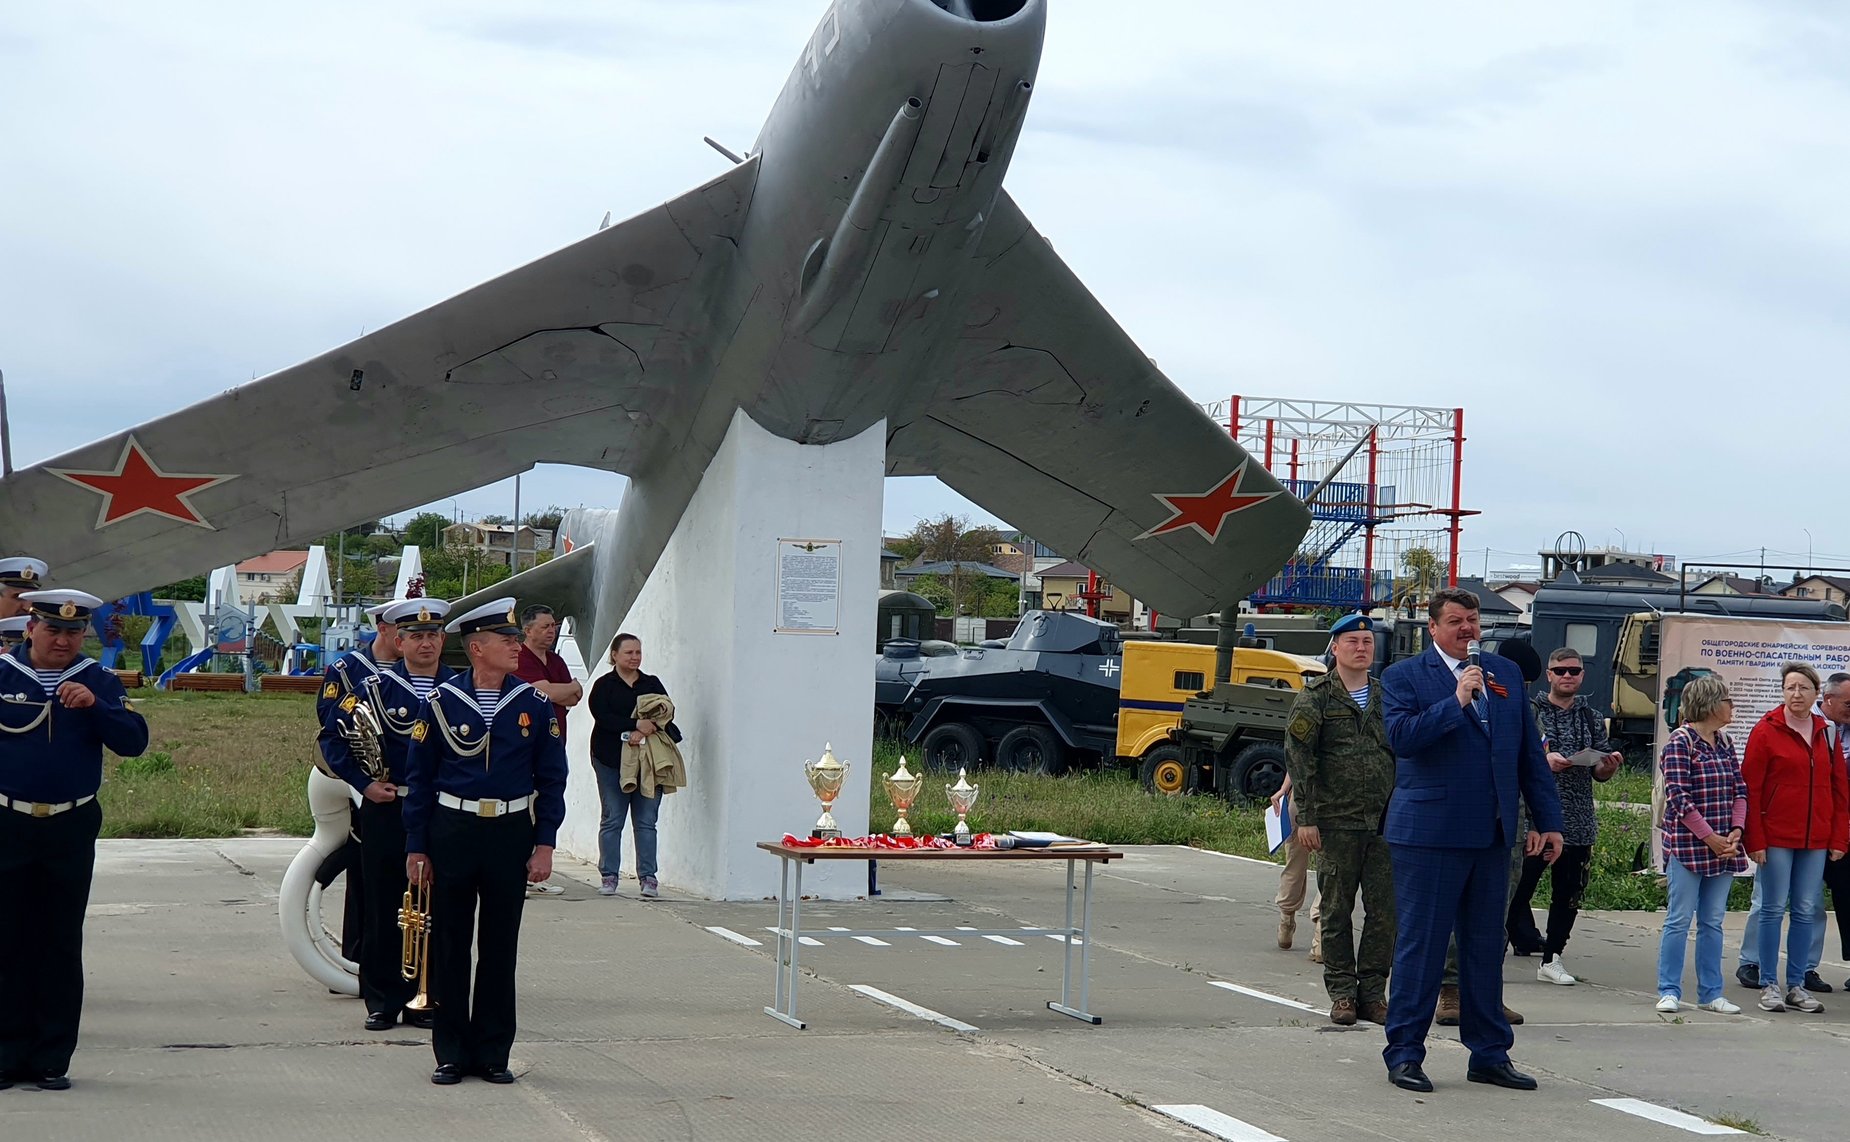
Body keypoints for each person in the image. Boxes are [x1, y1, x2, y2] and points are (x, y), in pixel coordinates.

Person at [1379, 587, 1563, 1094]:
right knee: (1424, 947)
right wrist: (1456, 701)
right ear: (1433, 626)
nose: (1468, 629)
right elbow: (1402, 739)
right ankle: (1404, 1054)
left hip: (1493, 834)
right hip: (1430, 835)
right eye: (1457, 621)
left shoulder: (1503, 675)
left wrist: (1548, 821)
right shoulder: (1404, 677)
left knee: (1485, 947)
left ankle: (1488, 1053)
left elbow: (1527, 754)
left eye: (1473, 620)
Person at [402, 598, 567, 1086]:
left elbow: (553, 778)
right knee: (450, 944)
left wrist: (545, 843)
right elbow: (421, 776)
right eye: (507, 640)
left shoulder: (534, 704)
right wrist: (417, 845)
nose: (517, 647)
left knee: (500, 947)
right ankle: (450, 1051)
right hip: (453, 830)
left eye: (517, 638)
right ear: (477, 648)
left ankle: (494, 1053)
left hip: (509, 833)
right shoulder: (440, 702)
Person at [0, 589, 149, 1091]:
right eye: (53, 630)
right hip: (7, 822)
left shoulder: (97, 680)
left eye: (73, 631)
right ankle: (6, 1053)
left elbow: (134, 742)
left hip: (70, 823)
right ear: (30, 629)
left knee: (59, 941)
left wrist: (95, 710)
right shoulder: (2, 675)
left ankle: (50, 1058)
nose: (63, 640)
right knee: (7, 939)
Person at [323, 598, 456, 1032]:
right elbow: (332, 739)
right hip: (389, 806)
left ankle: (428, 995)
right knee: (383, 903)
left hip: (441, 812)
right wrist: (363, 785)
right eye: (416, 636)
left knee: (437, 906)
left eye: (433, 635)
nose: (426, 643)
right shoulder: (374, 688)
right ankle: (381, 999)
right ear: (398, 641)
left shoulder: (459, 689)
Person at [1284, 612, 1395, 1026]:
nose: (1362, 648)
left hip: (1383, 822)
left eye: (1367, 643)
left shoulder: (1387, 696)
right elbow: (1299, 758)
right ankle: (1343, 993)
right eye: (1352, 642)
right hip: (1335, 821)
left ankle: (1372, 993)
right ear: (1335, 648)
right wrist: (1308, 818)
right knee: (1335, 911)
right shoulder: (1316, 698)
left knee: (1386, 914)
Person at [1510, 648, 1623, 985]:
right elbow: (1514, 756)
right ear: (1549, 675)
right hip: (1535, 817)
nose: (1568, 677)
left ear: (1582, 675)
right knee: (1517, 888)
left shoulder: (1590, 716)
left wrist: (1606, 766)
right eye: (1561, 671)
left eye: (1574, 671)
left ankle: (1553, 957)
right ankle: (1500, 944)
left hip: (1577, 818)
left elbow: (1599, 772)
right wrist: (1543, 762)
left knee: (1569, 893)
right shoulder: (1530, 711)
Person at [1741, 661, 1848, 1014]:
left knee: (1805, 909)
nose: (1796, 694)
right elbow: (1750, 788)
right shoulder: (1766, 729)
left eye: (1803, 687)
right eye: (1790, 687)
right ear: (1783, 692)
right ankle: (1769, 983)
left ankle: (1797, 984)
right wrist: (1753, 839)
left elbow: (1838, 789)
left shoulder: (1826, 731)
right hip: (1775, 836)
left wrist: (1838, 837)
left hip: (1815, 838)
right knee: (1772, 909)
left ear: (1817, 693)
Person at [315, 599, 405, 967]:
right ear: (383, 628)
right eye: (402, 631)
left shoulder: (418, 669)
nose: (410, 639)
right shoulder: (348, 667)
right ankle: (357, 952)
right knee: (364, 867)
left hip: (402, 782)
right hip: (360, 778)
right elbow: (328, 717)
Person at [1655, 674, 1747, 1014]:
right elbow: (1678, 797)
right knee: (1678, 918)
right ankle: (1669, 989)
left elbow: (1740, 789)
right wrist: (1709, 837)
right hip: (1690, 847)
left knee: (1713, 921)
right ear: (1708, 704)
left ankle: (1711, 992)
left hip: (1725, 846)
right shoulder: (1680, 742)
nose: (1731, 706)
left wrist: (1736, 830)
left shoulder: (1725, 742)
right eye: (1726, 699)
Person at [588, 633, 682, 899]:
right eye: (629, 652)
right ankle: (609, 876)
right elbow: (602, 716)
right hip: (610, 761)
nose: (634, 657)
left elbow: (666, 712)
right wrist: (633, 726)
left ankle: (648, 878)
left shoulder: (651, 683)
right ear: (615, 655)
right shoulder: (604, 685)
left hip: (648, 762)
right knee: (612, 818)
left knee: (646, 821)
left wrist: (646, 729)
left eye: (638, 652)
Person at [514, 605, 582, 898]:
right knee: (524, 809)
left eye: (553, 626)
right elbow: (542, 692)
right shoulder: (521, 658)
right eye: (544, 626)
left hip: (555, 746)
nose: (551, 631)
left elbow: (576, 696)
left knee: (548, 805)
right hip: (527, 746)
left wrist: (561, 689)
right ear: (527, 630)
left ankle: (534, 872)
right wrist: (563, 689)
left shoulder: (556, 660)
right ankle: (520, 872)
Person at [1269, 776, 1323, 962]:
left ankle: (1286, 921)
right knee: (1332, 869)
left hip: (1299, 799)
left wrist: (1284, 789)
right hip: (1332, 802)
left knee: (1294, 864)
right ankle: (1320, 935)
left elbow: (1296, 756)